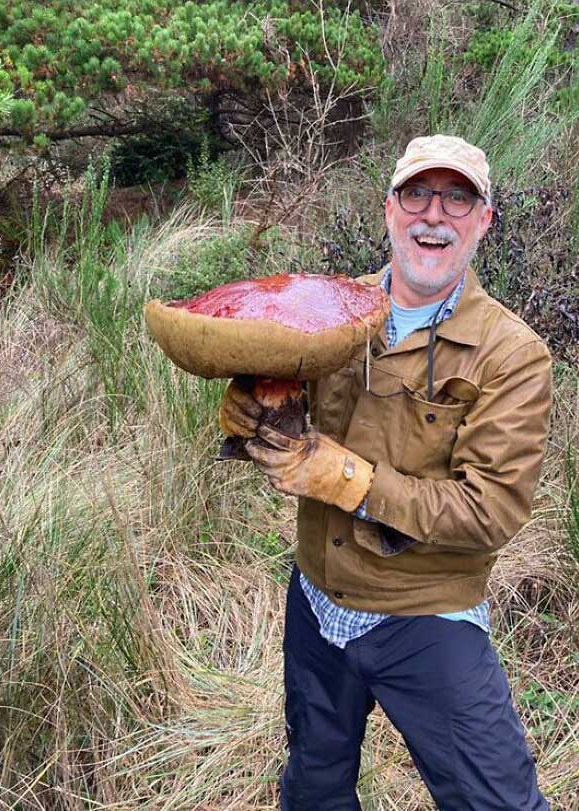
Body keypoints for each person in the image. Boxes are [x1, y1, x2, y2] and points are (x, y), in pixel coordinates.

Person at [219, 134, 552, 811]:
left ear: (484, 220)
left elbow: (490, 510)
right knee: (314, 785)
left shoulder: (511, 355)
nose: (435, 214)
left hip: (425, 614)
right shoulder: (331, 312)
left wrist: (347, 478)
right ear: (389, 209)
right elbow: (287, 408)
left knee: (496, 800)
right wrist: (255, 411)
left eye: (458, 199)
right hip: (317, 598)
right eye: (417, 193)